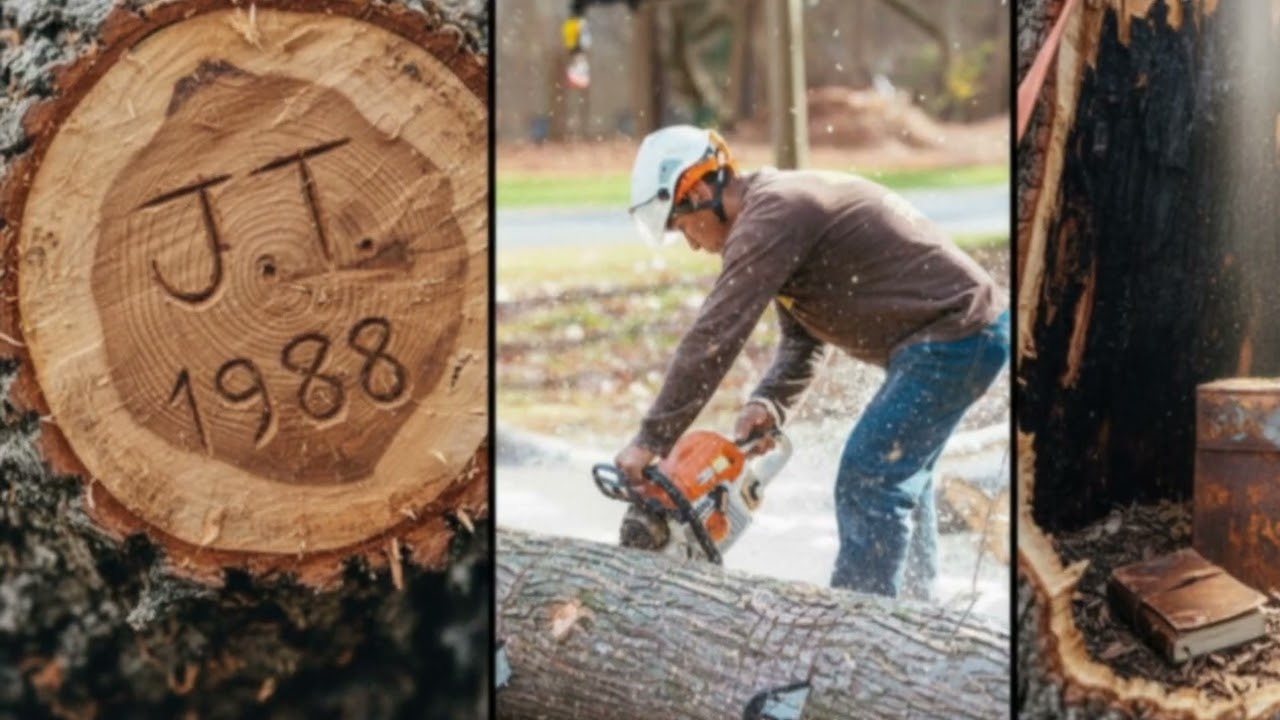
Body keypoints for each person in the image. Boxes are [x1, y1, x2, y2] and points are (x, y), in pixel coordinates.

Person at [613, 125, 1009, 599]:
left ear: (698, 191)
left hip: (958, 333)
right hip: (953, 334)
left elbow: (714, 338)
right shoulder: (774, 212)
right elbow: (805, 338)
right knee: (900, 474)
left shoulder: (771, 216)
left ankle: (864, 626)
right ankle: (918, 613)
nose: (693, 243)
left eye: (683, 226)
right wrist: (771, 402)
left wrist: (651, 439)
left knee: (870, 477)